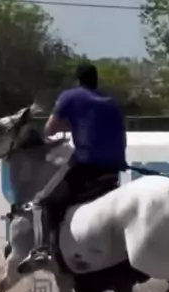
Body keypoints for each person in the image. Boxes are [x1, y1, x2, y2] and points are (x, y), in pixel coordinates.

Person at [27, 62, 127, 265]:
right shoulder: (111, 102)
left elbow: (49, 130)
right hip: (113, 169)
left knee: (41, 202)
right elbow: (122, 139)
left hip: (85, 166)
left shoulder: (69, 96)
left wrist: (68, 123)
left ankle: (41, 250)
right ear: (96, 81)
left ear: (78, 80)